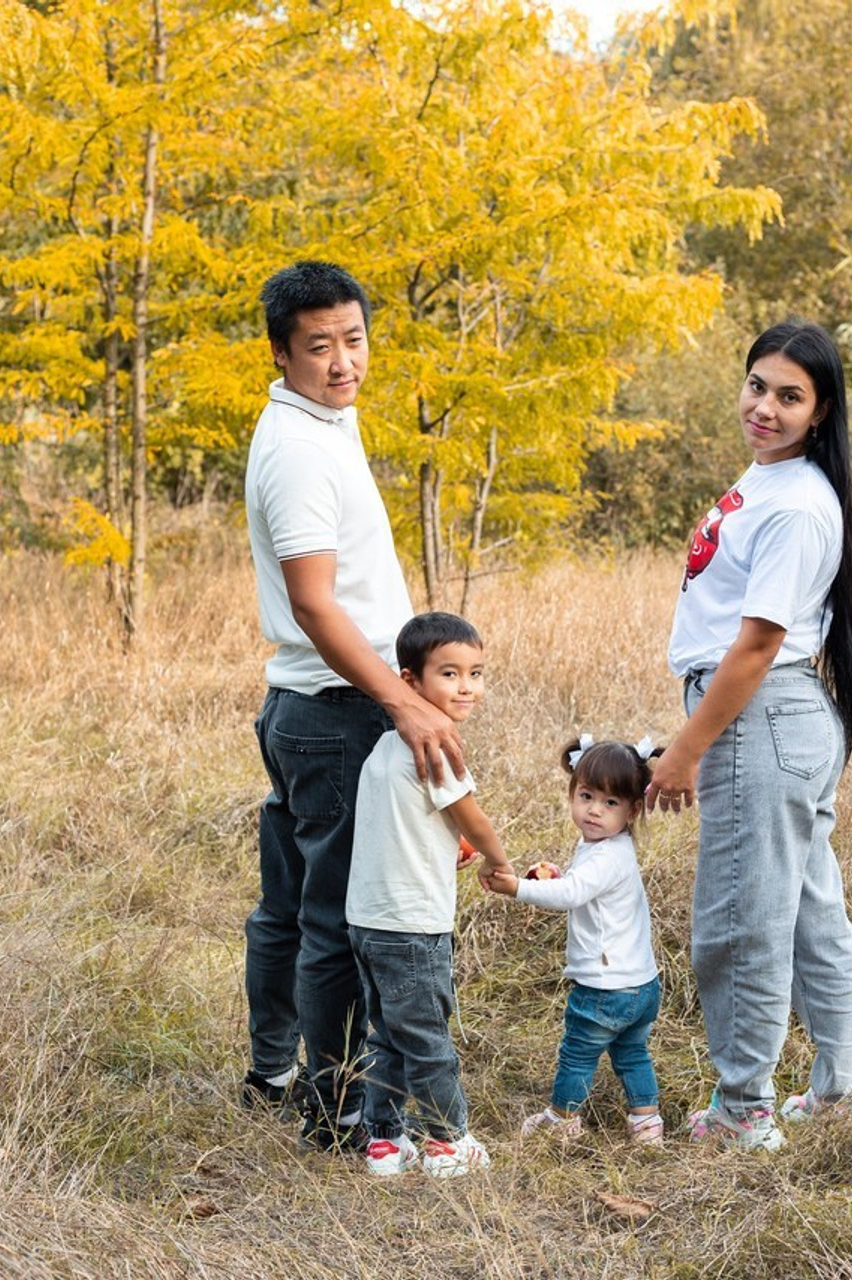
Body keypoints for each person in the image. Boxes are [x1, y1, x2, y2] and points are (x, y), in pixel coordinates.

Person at [242, 261, 465, 1153]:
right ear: (283, 352)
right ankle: (332, 1108)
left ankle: (274, 1072)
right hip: (337, 710)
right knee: (334, 919)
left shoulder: (325, 421)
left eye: (354, 339)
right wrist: (402, 704)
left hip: (310, 705)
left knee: (291, 909)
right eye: (320, 346)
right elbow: (315, 604)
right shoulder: (298, 449)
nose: (343, 362)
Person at [646, 318, 852, 1153]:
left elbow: (757, 645)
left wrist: (687, 748)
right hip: (784, 718)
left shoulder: (801, 505)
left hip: (758, 714)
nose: (765, 408)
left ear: (820, 410)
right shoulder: (773, 478)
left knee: (740, 920)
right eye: (757, 386)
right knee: (810, 912)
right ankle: (840, 1093)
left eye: (789, 397)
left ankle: (743, 1113)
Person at [346, 612, 514, 1178]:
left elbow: (401, 822)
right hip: (412, 923)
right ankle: (447, 1142)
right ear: (409, 681)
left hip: (367, 919)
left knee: (388, 1033)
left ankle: (386, 1141)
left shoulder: (384, 749)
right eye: (449, 673)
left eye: (476, 672)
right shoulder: (436, 749)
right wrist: (496, 858)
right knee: (427, 1037)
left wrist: (451, 847)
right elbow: (473, 818)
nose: (466, 686)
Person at [486, 737, 664, 1147]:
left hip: (604, 987)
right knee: (632, 1053)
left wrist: (517, 888)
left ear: (633, 810)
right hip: (641, 983)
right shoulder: (611, 848)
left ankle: (562, 1119)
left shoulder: (606, 857)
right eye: (586, 796)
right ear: (573, 793)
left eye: (610, 803)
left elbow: (570, 894)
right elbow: (579, 886)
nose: (594, 810)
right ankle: (646, 1120)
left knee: (578, 1054)